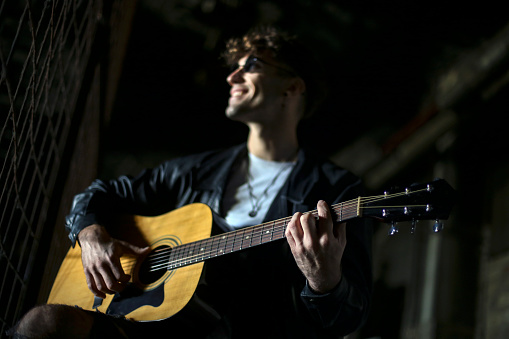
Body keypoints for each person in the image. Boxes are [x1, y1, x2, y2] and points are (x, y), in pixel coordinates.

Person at [9, 25, 372, 338]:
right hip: (138, 324)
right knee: (43, 322)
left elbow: (347, 318)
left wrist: (324, 283)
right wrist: (89, 235)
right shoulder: (195, 170)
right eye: (234, 68)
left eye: (252, 65)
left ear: (292, 88)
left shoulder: (337, 191)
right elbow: (101, 194)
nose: (232, 77)